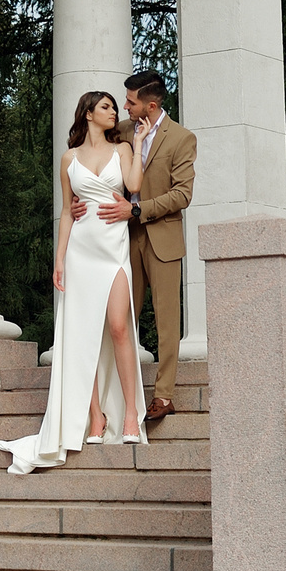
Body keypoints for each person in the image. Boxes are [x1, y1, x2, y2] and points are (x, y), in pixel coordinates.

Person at [0, 91, 147, 474]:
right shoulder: (69, 158)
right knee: (83, 334)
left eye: (114, 106)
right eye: (106, 107)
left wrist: (140, 142)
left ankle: (131, 415)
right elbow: (67, 211)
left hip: (113, 248)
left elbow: (133, 185)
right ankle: (96, 417)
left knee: (118, 326)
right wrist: (60, 259)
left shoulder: (123, 149)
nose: (114, 111)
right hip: (81, 250)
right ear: (88, 113)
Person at [80, 70, 194, 424]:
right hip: (119, 238)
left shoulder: (182, 139)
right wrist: (80, 200)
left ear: (151, 105)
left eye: (130, 102)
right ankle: (112, 396)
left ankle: (163, 395)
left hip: (162, 238)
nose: (123, 107)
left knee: (166, 321)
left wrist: (137, 209)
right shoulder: (122, 131)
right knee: (119, 318)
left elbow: (182, 195)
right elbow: (94, 161)